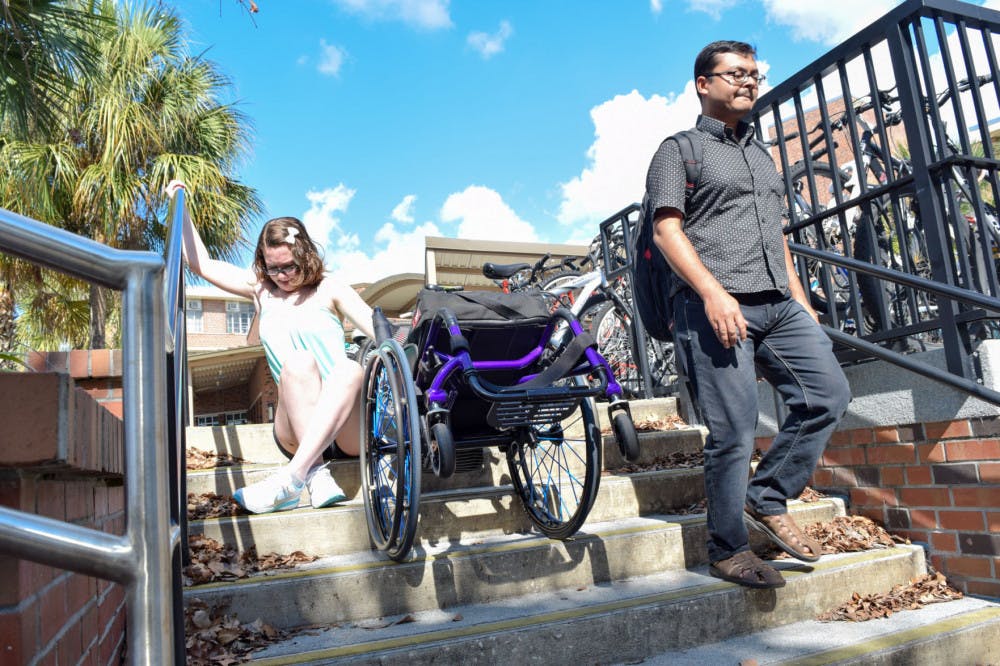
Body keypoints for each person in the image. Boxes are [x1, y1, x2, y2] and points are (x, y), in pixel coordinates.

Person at [644, 41, 851, 588]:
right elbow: (667, 229)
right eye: (735, 74)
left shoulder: (761, 155)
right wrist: (712, 293)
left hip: (777, 304)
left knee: (827, 395)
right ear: (703, 84)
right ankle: (727, 547)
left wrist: (800, 298)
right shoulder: (679, 149)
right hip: (713, 305)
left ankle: (768, 495)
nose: (748, 83)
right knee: (733, 432)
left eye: (755, 75)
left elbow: (774, 234)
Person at [168, 180, 375, 514]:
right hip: (293, 424)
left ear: (305, 255)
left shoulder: (330, 289)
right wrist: (181, 203)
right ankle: (315, 472)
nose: (281, 275)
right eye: (272, 267)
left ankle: (294, 478)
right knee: (298, 363)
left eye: (289, 266)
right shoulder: (260, 290)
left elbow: (385, 332)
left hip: (344, 428)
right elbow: (201, 264)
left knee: (351, 367)